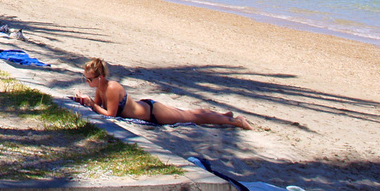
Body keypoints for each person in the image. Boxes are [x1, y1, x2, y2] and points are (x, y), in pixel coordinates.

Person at [72, 57, 251, 129]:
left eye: (89, 79)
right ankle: (223, 115)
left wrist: (91, 104)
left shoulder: (111, 88)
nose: (88, 83)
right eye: (85, 79)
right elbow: (100, 107)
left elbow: (109, 114)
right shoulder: (101, 87)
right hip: (148, 108)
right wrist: (86, 101)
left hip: (153, 113)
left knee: (192, 116)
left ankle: (234, 121)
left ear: (100, 76)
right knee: (191, 114)